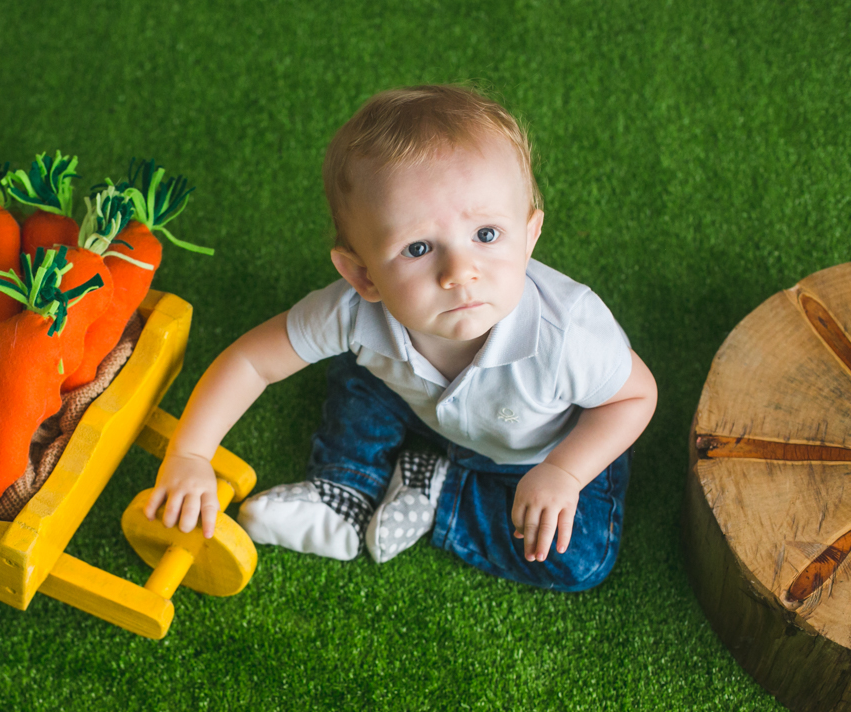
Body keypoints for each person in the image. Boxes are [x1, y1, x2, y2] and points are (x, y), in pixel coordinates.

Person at [143, 84, 657, 591]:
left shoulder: (567, 333)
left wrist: (566, 474)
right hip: (421, 405)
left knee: (582, 557)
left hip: (540, 451)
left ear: (529, 237)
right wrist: (190, 455)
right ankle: (343, 490)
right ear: (362, 274)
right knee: (357, 363)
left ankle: (436, 489)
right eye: (417, 248)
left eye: (486, 235)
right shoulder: (356, 307)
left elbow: (636, 395)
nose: (460, 271)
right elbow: (253, 361)